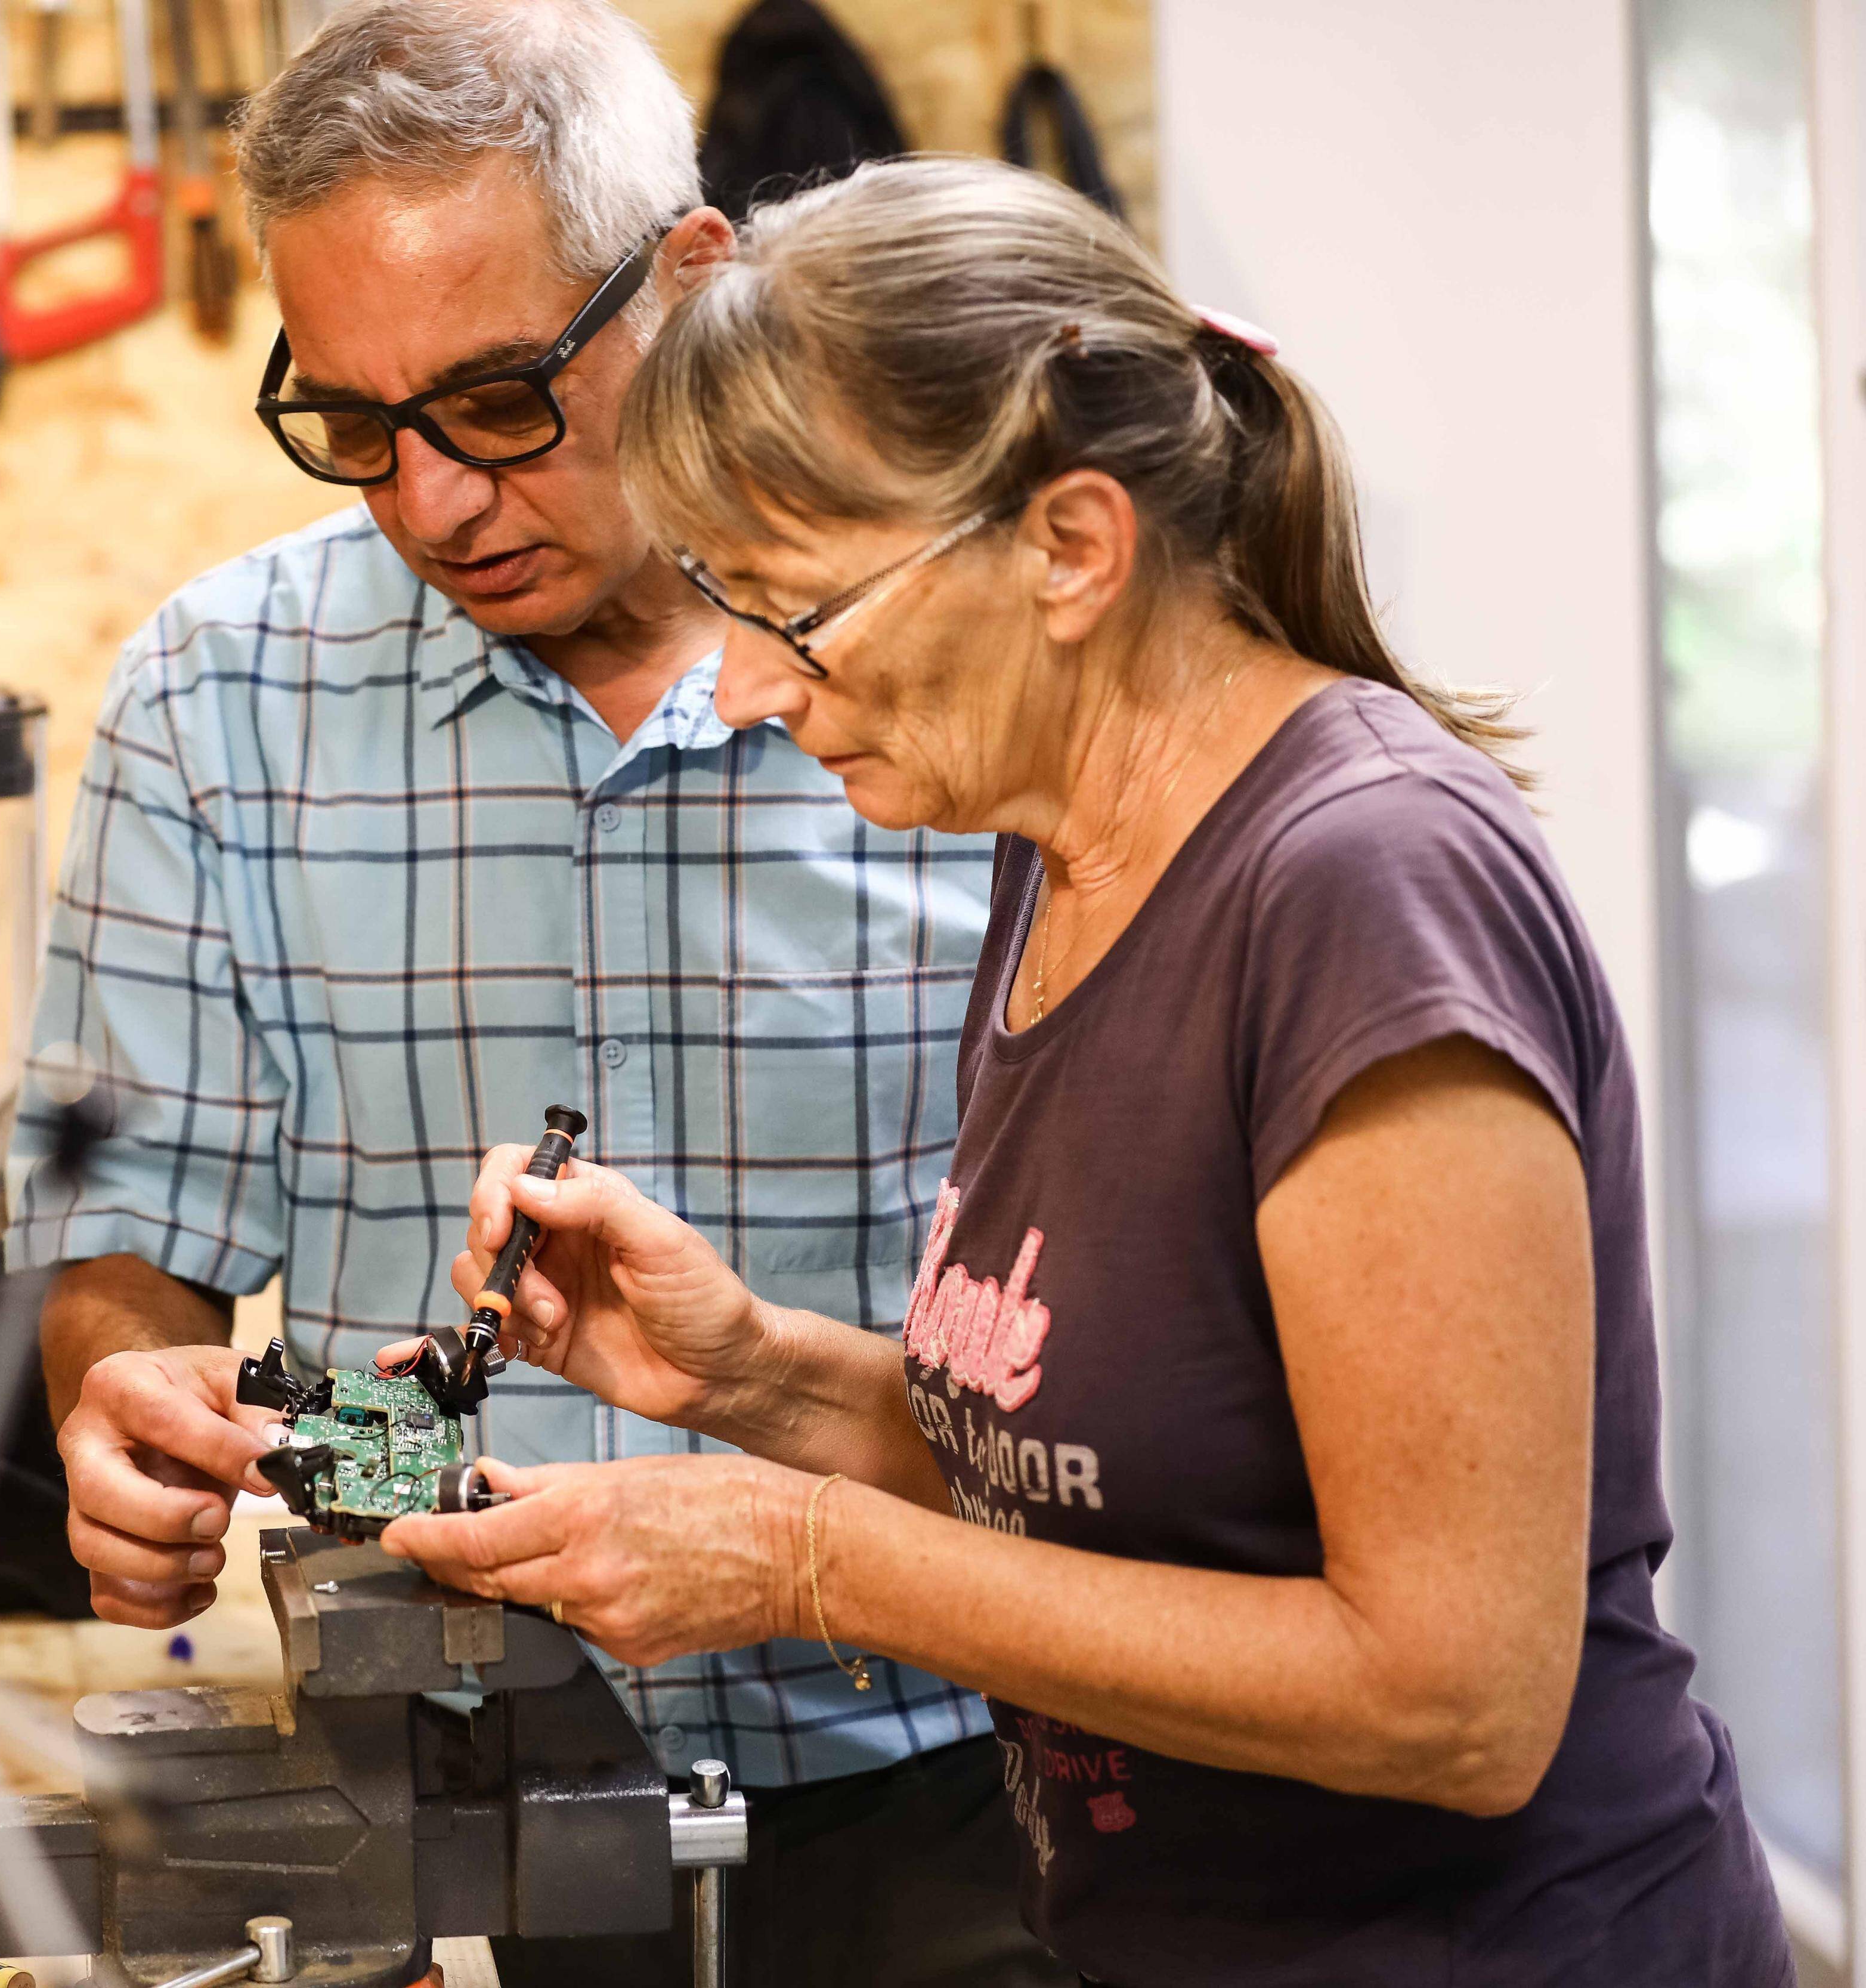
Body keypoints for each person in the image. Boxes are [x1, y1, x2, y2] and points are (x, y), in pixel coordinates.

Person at [380, 154, 1797, 1984]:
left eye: (794, 610)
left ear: (1069, 547)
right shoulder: (1059, 844)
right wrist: (751, 1375)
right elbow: (1121, 1481)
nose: (743, 688)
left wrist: (807, 1564)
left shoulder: (1360, 885)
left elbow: (1457, 1696)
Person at [5, 5, 1067, 1984]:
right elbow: (132, 1249)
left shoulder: (949, 671)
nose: (429, 503)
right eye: (352, 423)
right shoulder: (219, 700)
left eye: (499, 401)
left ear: (687, 277)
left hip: (961, 1777)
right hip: (448, 1795)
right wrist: (128, 1409)